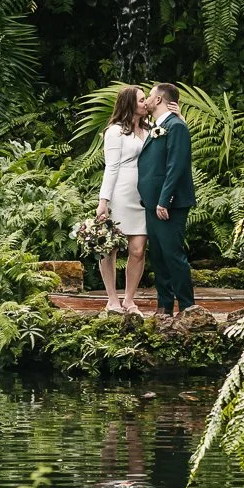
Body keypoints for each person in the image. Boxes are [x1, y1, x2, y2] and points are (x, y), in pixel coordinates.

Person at [135, 81, 197, 316]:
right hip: (152, 203)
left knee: (172, 254)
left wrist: (165, 199)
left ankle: (188, 307)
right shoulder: (158, 126)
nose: (148, 101)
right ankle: (164, 306)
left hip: (169, 204)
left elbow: (176, 166)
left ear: (159, 99)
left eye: (149, 96)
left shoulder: (176, 126)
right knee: (158, 255)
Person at [95, 86, 150, 316]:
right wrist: (103, 200)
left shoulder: (149, 129)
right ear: (129, 104)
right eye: (141, 100)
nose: (146, 103)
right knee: (111, 247)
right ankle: (112, 299)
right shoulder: (115, 132)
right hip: (120, 193)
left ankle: (129, 299)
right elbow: (112, 167)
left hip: (143, 194)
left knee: (137, 249)